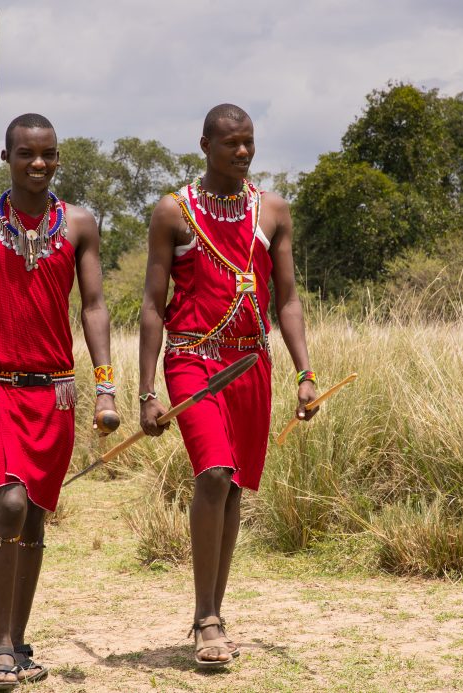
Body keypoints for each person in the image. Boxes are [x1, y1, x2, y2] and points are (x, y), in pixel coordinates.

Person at [138, 103, 318, 668]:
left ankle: (213, 610)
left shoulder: (273, 211)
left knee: (233, 486)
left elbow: (286, 300)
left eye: (249, 142)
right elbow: (151, 304)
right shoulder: (174, 212)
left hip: (251, 365)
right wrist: (146, 391)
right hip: (191, 358)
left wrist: (305, 373)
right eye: (231, 143)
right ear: (204, 145)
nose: (242, 152)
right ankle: (206, 619)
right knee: (213, 473)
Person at [0, 113, 118, 688]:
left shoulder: (78, 224)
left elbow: (93, 306)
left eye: (47, 154)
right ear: (6, 156)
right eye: (25, 154)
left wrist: (106, 384)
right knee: (12, 504)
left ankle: (19, 642)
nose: (37, 164)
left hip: (57, 392)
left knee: (38, 517)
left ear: (58, 157)